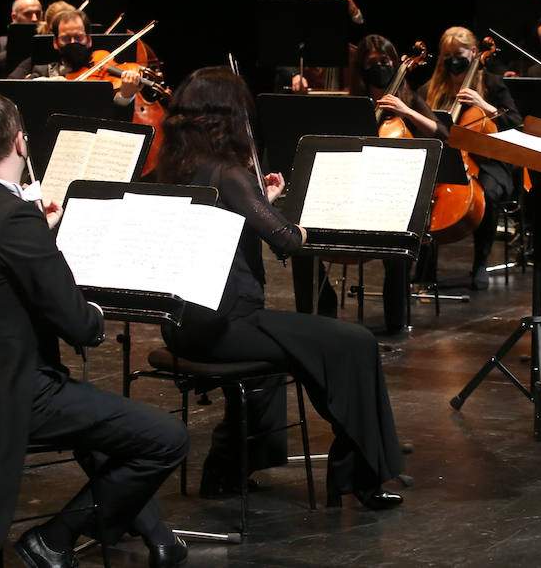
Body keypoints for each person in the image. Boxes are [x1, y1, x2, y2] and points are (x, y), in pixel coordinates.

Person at [0, 93, 188, 567]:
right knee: (166, 437)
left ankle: (157, 533)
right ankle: (53, 539)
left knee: (99, 421)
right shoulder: (15, 218)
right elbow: (80, 326)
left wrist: (37, 236)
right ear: (20, 143)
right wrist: (92, 307)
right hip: (13, 392)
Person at [156, 68, 405, 509]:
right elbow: (287, 240)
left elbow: (226, 225)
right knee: (355, 343)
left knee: (295, 352)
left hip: (182, 325)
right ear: (230, 116)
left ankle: (226, 470)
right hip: (226, 326)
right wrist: (306, 220)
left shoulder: (171, 170)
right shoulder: (228, 173)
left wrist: (259, 203)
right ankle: (360, 477)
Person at [290, 36, 446, 329]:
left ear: (394, 62)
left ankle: (395, 320)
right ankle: (321, 309)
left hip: (391, 194)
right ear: (361, 67)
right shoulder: (352, 104)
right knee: (299, 240)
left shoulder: (408, 98)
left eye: (385, 61)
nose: (379, 67)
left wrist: (406, 111)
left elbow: (442, 133)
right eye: (371, 63)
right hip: (351, 191)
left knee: (400, 244)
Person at [421, 26, 523, 290]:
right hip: (444, 161)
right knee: (422, 192)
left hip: (488, 162)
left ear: (474, 53)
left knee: (487, 193)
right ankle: (425, 264)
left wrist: (484, 105)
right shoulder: (431, 89)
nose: (452, 60)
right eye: (447, 55)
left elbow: (516, 125)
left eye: (459, 54)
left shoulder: (492, 84)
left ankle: (481, 262)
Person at [8, 10, 142, 107]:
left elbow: (115, 104)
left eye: (78, 37)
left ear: (89, 39)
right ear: (55, 42)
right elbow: (19, 93)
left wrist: (126, 95)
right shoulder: (42, 71)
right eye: (66, 38)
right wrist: (49, 82)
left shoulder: (102, 67)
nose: (73, 43)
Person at [282, 0, 365, 93]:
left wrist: (354, 11)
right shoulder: (289, 7)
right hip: (297, 86)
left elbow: (359, 40)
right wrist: (295, 74)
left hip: (338, 82)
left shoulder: (338, 5)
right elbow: (281, 47)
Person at [0, 0, 44, 83]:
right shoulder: (0, 43)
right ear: (14, 17)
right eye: (28, 14)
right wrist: (15, 50)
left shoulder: (52, 42)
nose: (34, 19)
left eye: (38, 14)